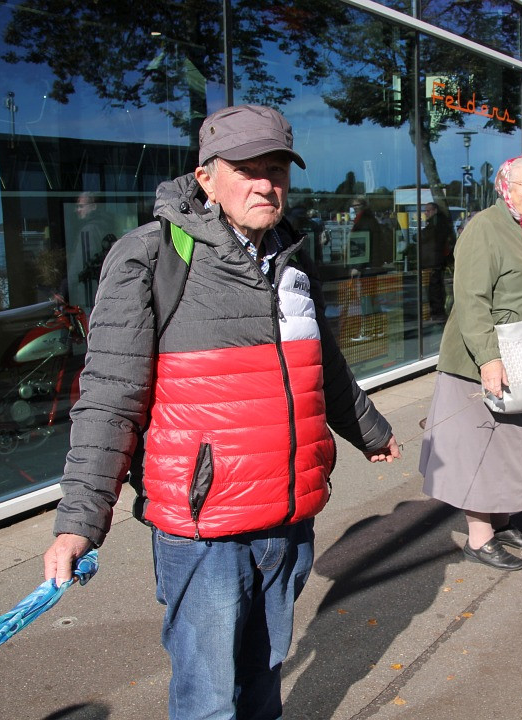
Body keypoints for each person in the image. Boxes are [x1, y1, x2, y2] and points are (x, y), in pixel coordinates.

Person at [42, 104, 401, 720]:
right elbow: (109, 394)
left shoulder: (292, 258)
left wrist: (368, 429)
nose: (267, 184)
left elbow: (324, 364)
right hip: (205, 528)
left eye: (278, 169)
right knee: (208, 698)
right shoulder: (150, 256)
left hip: (288, 517)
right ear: (206, 177)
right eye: (248, 169)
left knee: (263, 682)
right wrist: (79, 519)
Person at [420, 155, 522, 572]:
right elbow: (470, 299)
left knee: (514, 444)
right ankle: (480, 537)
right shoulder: (485, 227)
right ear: (504, 185)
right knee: (482, 448)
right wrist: (488, 359)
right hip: (481, 361)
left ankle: (503, 521)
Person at [420, 201, 455, 321]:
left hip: (434, 260)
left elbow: (427, 237)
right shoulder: (439, 222)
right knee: (436, 287)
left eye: (428, 210)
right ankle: (438, 312)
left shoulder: (437, 223)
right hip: (435, 260)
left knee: (435, 288)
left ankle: (437, 313)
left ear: (435, 211)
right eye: (425, 210)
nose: (426, 213)